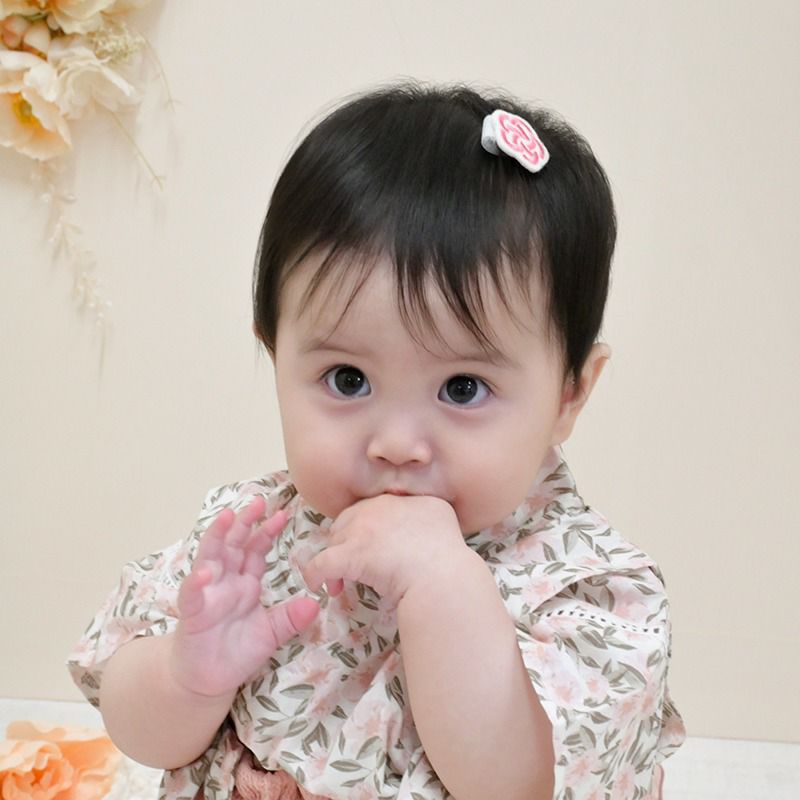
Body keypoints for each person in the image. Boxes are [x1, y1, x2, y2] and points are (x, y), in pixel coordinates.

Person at [68, 83, 685, 800]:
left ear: (569, 394)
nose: (396, 444)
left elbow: (519, 784)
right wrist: (187, 676)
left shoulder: (582, 588)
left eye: (463, 388)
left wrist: (440, 582)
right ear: (275, 355)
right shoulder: (257, 538)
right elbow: (139, 733)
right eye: (348, 379)